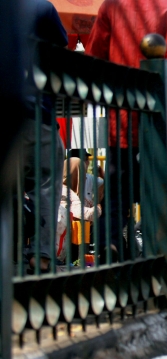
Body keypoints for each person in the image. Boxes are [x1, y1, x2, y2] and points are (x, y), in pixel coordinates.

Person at [85, 0, 167, 261]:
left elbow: (95, 62)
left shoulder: (111, 7)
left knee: (115, 199)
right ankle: (156, 266)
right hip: (163, 127)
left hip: (122, 121)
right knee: (160, 204)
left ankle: (110, 250)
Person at [22, 0, 68, 273]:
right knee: (47, 186)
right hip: (38, 114)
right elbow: (59, 52)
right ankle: (40, 255)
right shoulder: (42, 7)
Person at [56, 157, 103, 262]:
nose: (85, 178)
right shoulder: (66, 192)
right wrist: (99, 207)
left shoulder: (54, 187)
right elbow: (88, 214)